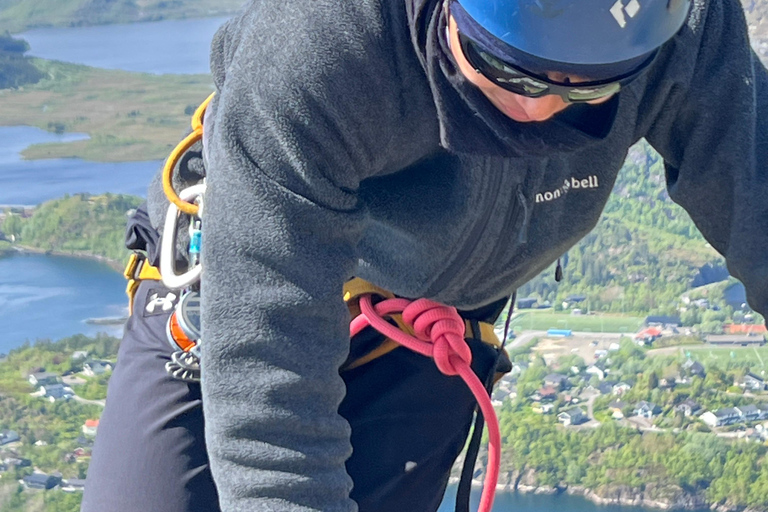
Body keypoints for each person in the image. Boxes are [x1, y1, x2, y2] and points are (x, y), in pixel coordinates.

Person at [82, 0, 768, 511]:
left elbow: (756, 201)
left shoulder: (674, 22)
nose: (540, 113)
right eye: (508, 70)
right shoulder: (320, 44)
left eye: (588, 90)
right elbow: (271, 402)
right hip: (237, 301)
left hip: (424, 328)